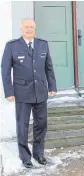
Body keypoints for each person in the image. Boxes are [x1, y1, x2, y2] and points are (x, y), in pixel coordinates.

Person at [1, 18, 57, 168]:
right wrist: (9, 91)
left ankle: (38, 154)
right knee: (23, 125)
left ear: (35, 29)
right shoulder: (12, 46)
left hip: (40, 92)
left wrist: (52, 86)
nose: (29, 29)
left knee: (41, 124)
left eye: (31, 27)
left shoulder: (43, 44)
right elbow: (5, 71)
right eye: (26, 27)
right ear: (21, 29)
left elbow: (49, 67)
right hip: (22, 93)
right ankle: (25, 156)